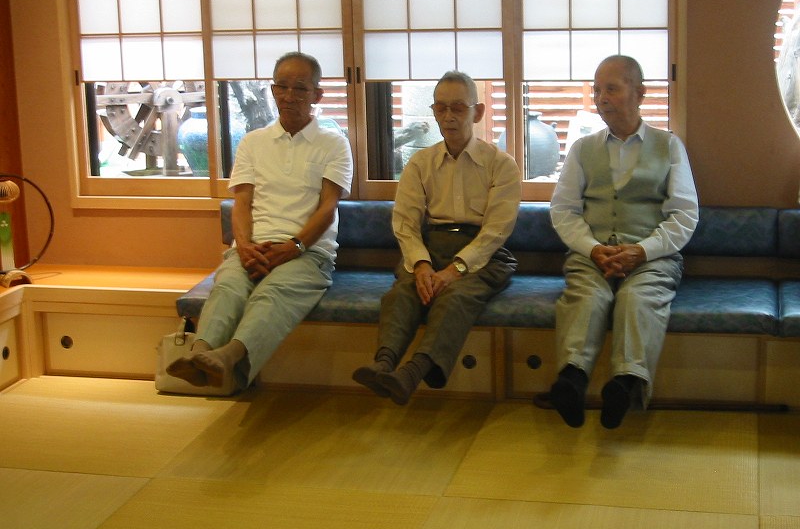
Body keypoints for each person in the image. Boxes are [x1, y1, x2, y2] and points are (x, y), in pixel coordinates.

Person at [167, 52, 353, 394]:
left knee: (271, 293)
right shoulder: (253, 141)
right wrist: (244, 247)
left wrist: (294, 246)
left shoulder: (334, 144)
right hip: (253, 246)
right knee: (228, 285)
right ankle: (200, 353)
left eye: (300, 88)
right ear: (272, 90)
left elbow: (328, 207)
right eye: (282, 86)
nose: (289, 96)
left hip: (308, 253)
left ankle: (227, 358)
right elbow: (241, 204)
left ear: (317, 94)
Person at [548, 55, 699, 429]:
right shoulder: (582, 148)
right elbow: (564, 210)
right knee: (587, 295)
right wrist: (592, 248)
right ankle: (572, 380)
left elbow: (685, 214)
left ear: (640, 93)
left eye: (611, 89)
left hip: (652, 257)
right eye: (597, 90)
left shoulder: (669, 146)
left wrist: (643, 251)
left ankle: (625, 384)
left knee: (638, 298)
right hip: (592, 254)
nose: (601, 98)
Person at [352, 71, 521, 405]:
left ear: (478, 112)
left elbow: (496, 231)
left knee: (455, 295)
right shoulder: (420, 162)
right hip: (431, 247)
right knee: (403, 291)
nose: (448, 116)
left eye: (458, 107)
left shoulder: (501, 164)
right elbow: (405, 222)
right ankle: (383, 364)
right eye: (440, 108)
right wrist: (421, 265)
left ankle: (413, 372)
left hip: (484, 255)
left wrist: (455, 270)